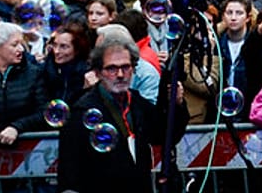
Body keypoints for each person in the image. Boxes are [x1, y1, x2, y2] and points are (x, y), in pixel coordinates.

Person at [56, 27, 176, 193]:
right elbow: (69, 170)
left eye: (126, 67)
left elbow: (164, 134)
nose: (120, 74)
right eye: (112, 68)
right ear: (98, 72)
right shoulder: (81, 111)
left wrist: (176, 104)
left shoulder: (137, 102)